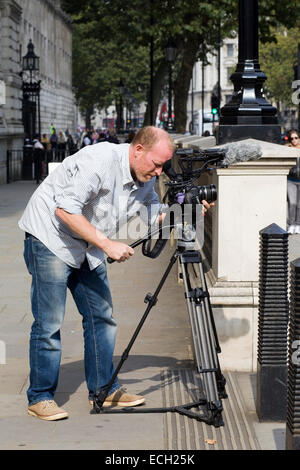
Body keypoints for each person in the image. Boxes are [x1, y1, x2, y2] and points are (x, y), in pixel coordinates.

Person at [20, 126, 212, 421]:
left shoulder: (144, 178)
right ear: (138, 150)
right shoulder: (98, 160)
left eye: (164, 165)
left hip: (87, 245)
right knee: (49, 322)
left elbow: (154, 216)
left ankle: (104, 389)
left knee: (102, 317)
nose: (160, 172)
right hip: (51, 239)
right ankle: (40, 397)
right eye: (157, 163)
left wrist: (191, 210)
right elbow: (65, 211)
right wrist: (107, 243)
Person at [286, 130, 300, 234]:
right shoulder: (287, 149)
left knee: (299, 204)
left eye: (296, 138)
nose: (294, 140)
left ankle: (298, 224)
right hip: (291, 180)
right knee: (292, 203)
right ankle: (291, 224)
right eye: (292, 138)